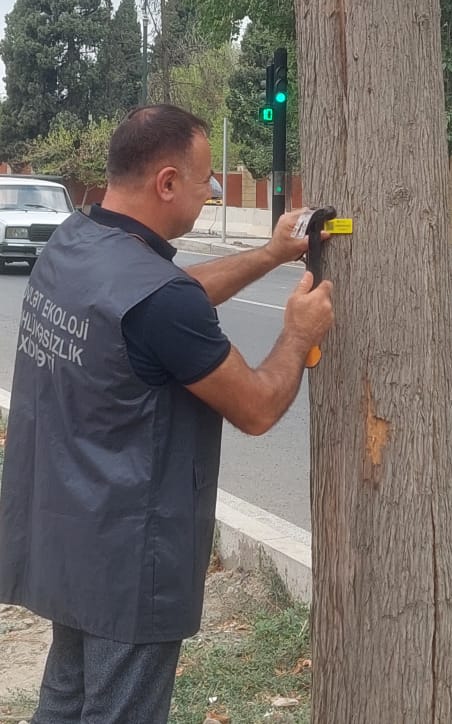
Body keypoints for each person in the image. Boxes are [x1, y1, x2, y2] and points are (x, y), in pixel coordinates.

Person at [0, 104, 333, 724]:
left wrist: (269, 254)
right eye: (207, 180)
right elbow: (257, 407)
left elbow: (169, 297)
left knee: (64, 705)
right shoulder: (158, 301)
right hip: (129, 560)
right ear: (168, 182)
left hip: (64, 535)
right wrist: (297, 334)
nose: (212, 191)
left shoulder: (73, 243)